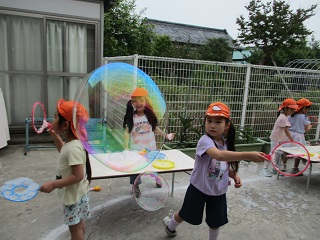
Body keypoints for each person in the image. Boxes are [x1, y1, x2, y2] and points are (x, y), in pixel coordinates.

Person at [162, 102, 267, 240]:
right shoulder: (204, 140)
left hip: (218, 191)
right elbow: (218, 155)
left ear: (226, 125)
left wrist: (234, 174)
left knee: (215, 223)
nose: (212, 125)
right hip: (198, 189)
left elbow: (222, 164)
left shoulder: (226, 143)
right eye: (209, 120)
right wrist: (248, 155)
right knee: (184, 214)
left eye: (218, 122)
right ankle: (170, 226)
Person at [39, 99, 91, 240]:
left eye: (55, 117)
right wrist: (55, 137)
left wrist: (53, 184)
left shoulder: (73, 147)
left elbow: (78, 175)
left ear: (65, 125)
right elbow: (64, 151)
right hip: (79, 192)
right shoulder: (72, 143)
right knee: (79, 224)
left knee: (74, 229)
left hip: (73, 197)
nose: (52, 119)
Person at [123, 87, 175, 198]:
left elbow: (155, 128)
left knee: (152, 167)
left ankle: (157, 178)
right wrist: (126, 147)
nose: (138, 103)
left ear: (146, 101)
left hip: (150, 148)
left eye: (141, 100)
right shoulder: (131, 117)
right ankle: (135, 186)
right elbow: (127, 132)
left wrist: (166, 135)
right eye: (135, 101)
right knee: (135, 170)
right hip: (136, 150)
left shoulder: (149, 116)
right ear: (132, 103)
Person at [260, 98, 297, 177]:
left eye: (294, 110)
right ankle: (264, 169)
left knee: (277, 154)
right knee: (272, 154)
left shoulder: (284, 116)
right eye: (292, 110)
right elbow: (286, 131)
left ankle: (275, 169)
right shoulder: (283, 117)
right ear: (286, 108)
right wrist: (292, 140)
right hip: (276, 138)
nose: (293, 112)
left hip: (278, 139)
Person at [288, 98, 312, 175]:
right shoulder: (304, 117)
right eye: (308, 108)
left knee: (286, 150)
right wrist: (310, 127)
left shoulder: (291, 115)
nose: (308, 110)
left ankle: (283, 166)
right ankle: (295, 168)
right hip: (299, 136)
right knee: (299, 152)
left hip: (289, 135)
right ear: (304, 108)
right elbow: (306, 130)